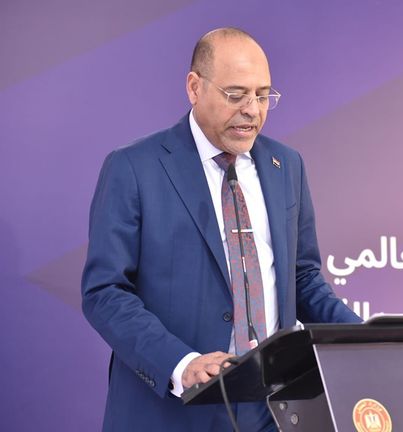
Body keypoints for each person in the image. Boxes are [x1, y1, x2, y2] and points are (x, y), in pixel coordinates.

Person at [81, 27, 361, 432]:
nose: (252, 110)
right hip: (172, 410)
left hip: (270, 412)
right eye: (236, 94)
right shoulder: (134, 167)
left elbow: (302, 278)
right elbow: (106, 292)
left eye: (262, 95)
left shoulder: (287, 165)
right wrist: (182, 363)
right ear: (194, 87)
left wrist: (363, 339)